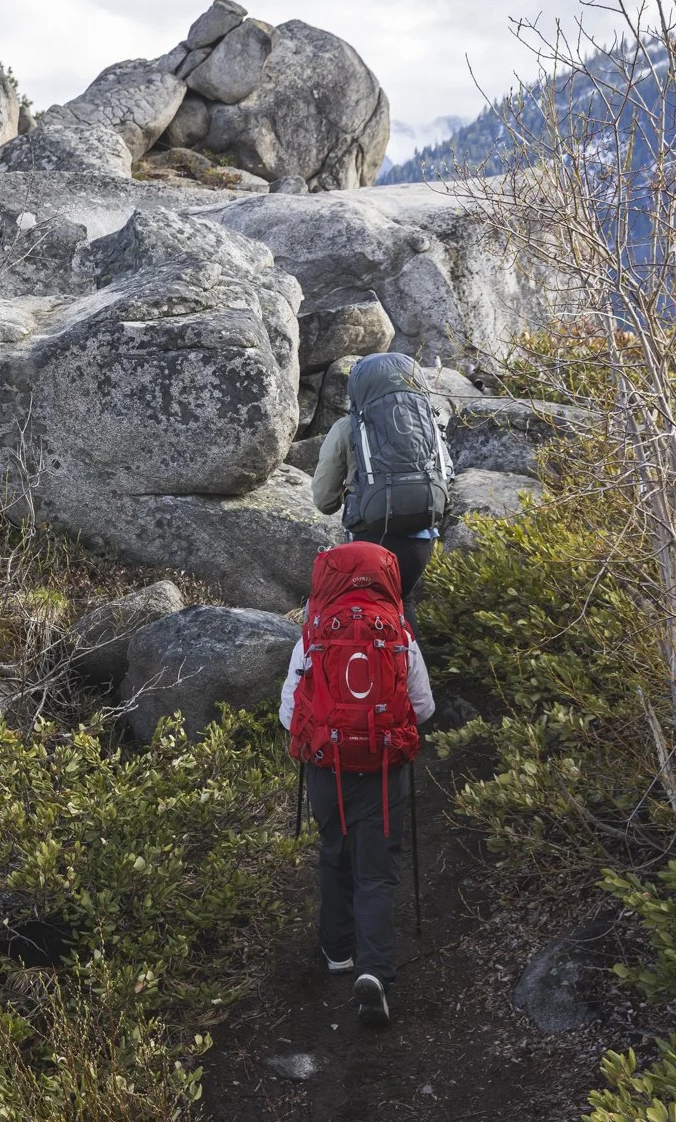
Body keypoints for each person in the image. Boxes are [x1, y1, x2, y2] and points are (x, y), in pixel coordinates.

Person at [279, 541, 434, 1027]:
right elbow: (424, 707)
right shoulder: (399, 633)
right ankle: (375, 971)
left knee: (333, 851)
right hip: (384, 771)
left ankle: (336, 949)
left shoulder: (313, 634)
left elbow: (288, 714)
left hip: (327, 769)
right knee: (377, 870)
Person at [309, 352, 453, 638]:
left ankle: (361, 680)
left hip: (370, 539)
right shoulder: (427, 422)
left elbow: (323, 501)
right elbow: (446, 475)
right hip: (420, 541)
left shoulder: (347, 428)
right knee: (403, 604)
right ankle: (412, 679)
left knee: (362, 614)